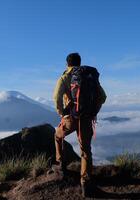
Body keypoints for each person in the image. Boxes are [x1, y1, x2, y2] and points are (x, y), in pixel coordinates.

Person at [53, 52, 106, 197]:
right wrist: (94, 111)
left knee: (57, 136)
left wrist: (61, 113)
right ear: (79, 62)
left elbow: (56, 96)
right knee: (85, 151)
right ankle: (85, 184)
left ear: (67, 64)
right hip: (86, 118)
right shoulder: (89, 76)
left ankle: (61, 165)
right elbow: (103, 96)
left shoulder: (65, 77)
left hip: (70, 117)